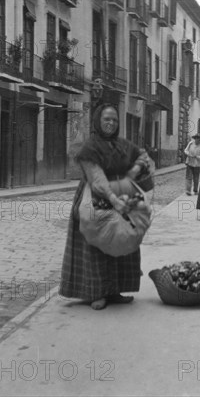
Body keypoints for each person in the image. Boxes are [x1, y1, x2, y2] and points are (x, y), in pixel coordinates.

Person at [59, 104, 152, 310]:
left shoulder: (121, 145)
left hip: (121, 192)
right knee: (97, 242)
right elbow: (97, 178)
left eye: (114, 120)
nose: (110, 123)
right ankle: (96, 293)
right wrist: (113, 198)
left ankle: (115, 290)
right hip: (94, 196)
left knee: (122, 238)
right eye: (106, 120)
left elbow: (138, 160)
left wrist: (136, 171)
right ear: (98, 122)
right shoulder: (90, 148)